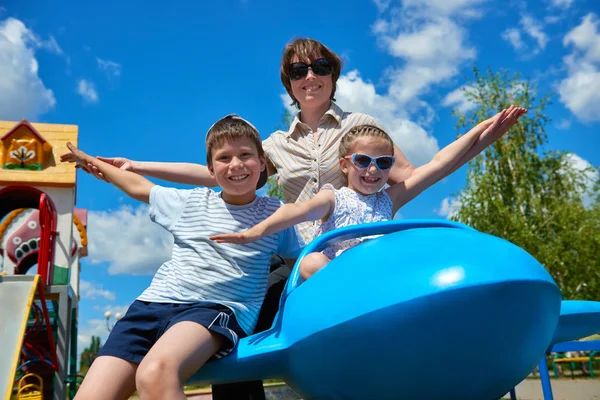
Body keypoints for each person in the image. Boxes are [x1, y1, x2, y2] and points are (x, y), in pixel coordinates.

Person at [64, 38, 523, 399]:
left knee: (333, 302)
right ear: (289, 83)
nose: (311, 76)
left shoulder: (360, 130)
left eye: (320, 67)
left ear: (333, 77)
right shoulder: (276, 145)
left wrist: (481, 135)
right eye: (300, 70)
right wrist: (137, 165)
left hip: (343, 254)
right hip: (289, 249)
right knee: (250, 336)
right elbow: (218, 169)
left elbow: (424, 170)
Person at [61, 115, 301, 400]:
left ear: (262, 163)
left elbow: (295, 266)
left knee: (154, 374)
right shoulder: (190, 202)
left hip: (214, 310)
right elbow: (138, 187)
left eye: (245, 155)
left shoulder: (276, 214)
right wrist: (93, 161)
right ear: (210, 170)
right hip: (151, 306)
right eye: (224, 158)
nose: (235, 164)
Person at [211, 106, 526, 279]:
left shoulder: (389, 199)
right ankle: (344, 313)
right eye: (363, 161)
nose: (373, 170)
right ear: (345, 164)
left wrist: (485, 130)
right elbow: (295, 211)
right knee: (310, 263)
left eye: (383, 163)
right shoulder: (332, 197)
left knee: (425, 253)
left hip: (380, 273)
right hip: (343, 278)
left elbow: (442, 164)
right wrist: (258, 230)